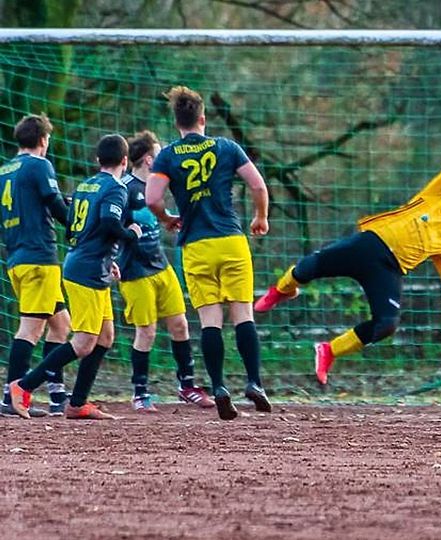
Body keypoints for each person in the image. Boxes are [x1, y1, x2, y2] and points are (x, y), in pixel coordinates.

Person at [255, 156, 441, 385]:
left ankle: (328, 350)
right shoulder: (433, 197)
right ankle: (280, 290)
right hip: (370, 245)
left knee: (387, 325)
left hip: (388, 271)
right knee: (306, 269)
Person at [146, 85, 271, 421]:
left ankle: (218, 387)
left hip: (196, 245)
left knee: (210, 321)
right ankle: (254, 382)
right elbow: (258, 185)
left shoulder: (168, 155)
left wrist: (167, 218)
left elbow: (151, 198)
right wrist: (261, 217)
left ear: (178, 123)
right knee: (243, 314)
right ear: (203, 118)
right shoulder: (227, 147)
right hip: (230, 240)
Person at [9, 134, 139, 420]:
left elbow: (74, 228)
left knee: (105, 336)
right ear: (125, 161)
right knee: (83, 342)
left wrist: (108, 259)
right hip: (87, 271)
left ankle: (78, 402)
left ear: (97, 160)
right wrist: (131, 234)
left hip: (89, 264)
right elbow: (109, 222)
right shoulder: (116, 188)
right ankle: (23, 386)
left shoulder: (85, 185)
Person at [118, 130, 214, 412]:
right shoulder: (123, 188)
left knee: (180, 324)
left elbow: (153, 216)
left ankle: (187, 386)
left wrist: (170, 219)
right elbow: (108, 227)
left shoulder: (155, 188)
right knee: (146, 331)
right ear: (149, 160)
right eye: (159, 155)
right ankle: (140, 392)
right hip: (134, 271)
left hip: (160, 265)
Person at [0, 114, 72, 417]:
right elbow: (53, 201)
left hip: (17, 257)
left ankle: (57, 396)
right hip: (39, 258)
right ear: (43, 140)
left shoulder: (4, 170)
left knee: (62, 324)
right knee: (30, 329)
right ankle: (11, 396)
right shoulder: (39, 165)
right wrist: (77, 225)